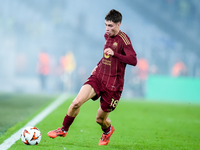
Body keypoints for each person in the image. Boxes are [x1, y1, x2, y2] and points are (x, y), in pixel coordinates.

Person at [47, 9, 137, 146]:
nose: (107, 28)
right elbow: (106, 54)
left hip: (113, 85)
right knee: (76, 102)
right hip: (99, 76)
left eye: (111, 26)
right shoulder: (107, 36)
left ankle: (107, 130)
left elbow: (133, 60)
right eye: (106, 25)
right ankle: (63, 129)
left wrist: (115, 54)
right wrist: (98, 64)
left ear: (119, 24)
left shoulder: (124, 40)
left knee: (100, 119)